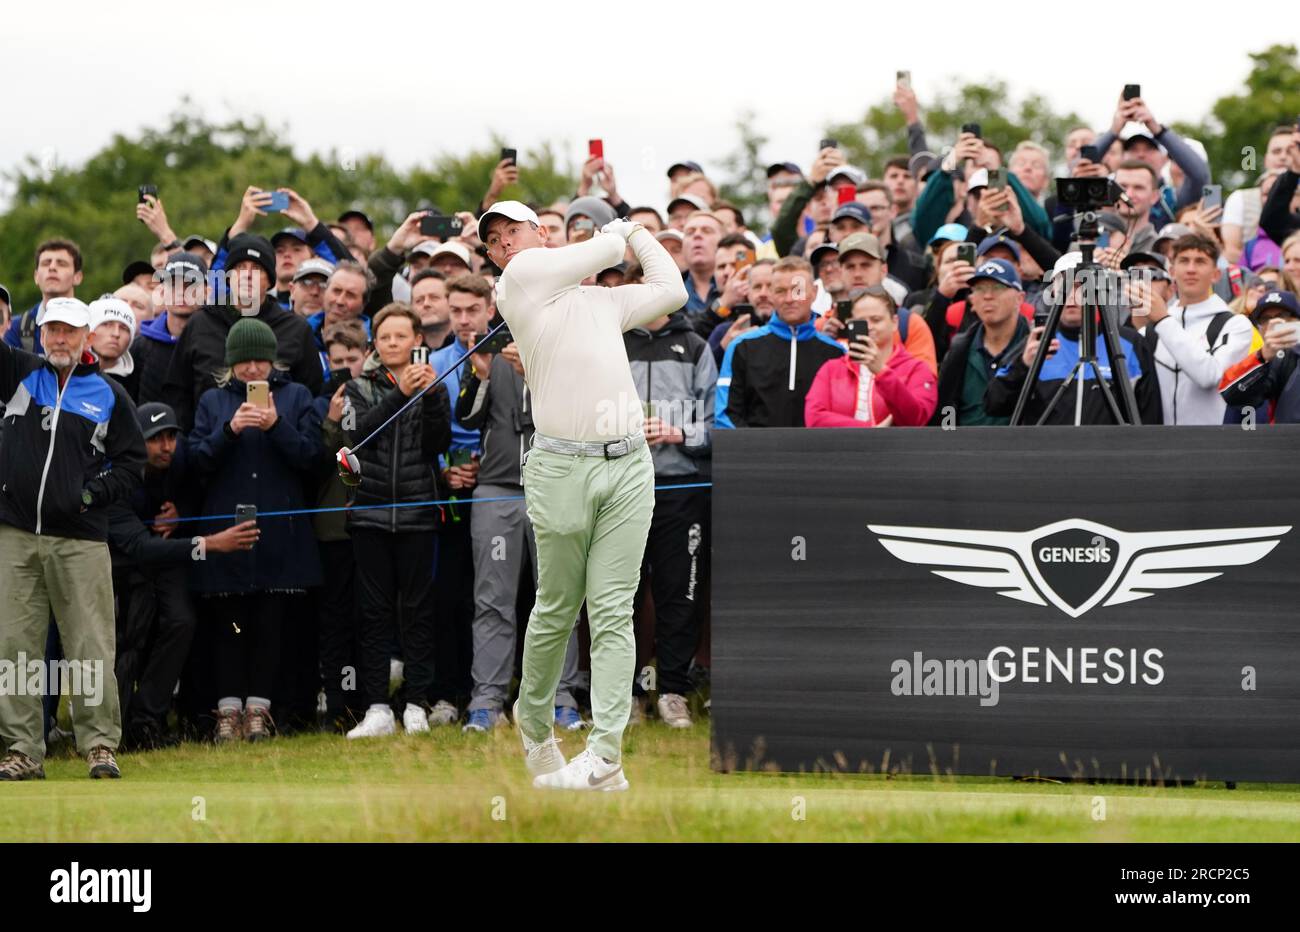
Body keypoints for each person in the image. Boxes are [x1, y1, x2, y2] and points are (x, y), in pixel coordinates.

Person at [479, 199, 686, 791]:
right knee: (557, 606)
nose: (503, 245)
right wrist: (617, 232)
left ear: (539, 232)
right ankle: (535, 723)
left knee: (613, 609)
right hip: (560, 469)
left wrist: (640, 233)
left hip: (628, 468)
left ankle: (605, 756)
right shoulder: (517, 283)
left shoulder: (601, 302)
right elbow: (600, 252)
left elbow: (670, 290)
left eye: (511, 232)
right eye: (493, 240)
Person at [0, 297, 145, 781]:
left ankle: (100, 746)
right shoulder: (20, 373)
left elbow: (132, 465)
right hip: (15, 533)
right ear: (39, 334)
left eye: (69, 331)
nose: (59, 339)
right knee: (14, 648)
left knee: (90, 646)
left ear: (86, 336)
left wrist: (89, 495)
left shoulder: (108, 394)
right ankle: (22, 750)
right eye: (51, 330)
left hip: (80, 539)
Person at [188, 319, 324, 742]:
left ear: (273, 360)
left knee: (270, 625)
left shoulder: (297, 396)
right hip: (226, 530)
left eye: (259, 360)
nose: (252, 370)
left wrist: (275, 426)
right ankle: (227, 712)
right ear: (231, 363)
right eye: (243, 361)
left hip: (280, 534)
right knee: (230, 625)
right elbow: (195, 463)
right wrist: (229, 430)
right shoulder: (213, 400)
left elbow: (313, 460)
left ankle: (259, 712)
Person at [107, 403, 259, 749]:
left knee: (181, 622)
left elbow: (199, 495)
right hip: (123, 568)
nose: (166, 447)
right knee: (130, 641)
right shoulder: (117, 478)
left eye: (171, 437)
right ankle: (118, 723)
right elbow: (139, 548)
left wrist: (183, 516)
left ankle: (147, 719)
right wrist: (209, 544)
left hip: (169, 561)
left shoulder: (179, 462)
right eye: (155, 439)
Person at [456, 334, 586, 733]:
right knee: (493, 600)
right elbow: (465, 418)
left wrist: (536, 374)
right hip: (497, 490)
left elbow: (583, 416)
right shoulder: (489, 351)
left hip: (557, 487)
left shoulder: (569, 346)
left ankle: (561, 698)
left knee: (560, 599)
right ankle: (487, 700)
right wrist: (480, 376)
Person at [341, 303, 452, 739]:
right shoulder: (358, 387)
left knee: (418, 612)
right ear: (375, 343)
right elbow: (358, 440)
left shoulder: (433, 385)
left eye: (401, 336)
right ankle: (376, 707)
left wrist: (429, 397)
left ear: (417, 341)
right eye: (384, 337)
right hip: (368, 515)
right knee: (373, 614)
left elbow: (436, 445)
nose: (392, 343)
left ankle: (416, 703)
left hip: (418, 513)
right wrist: (400, 394)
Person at [623, 308, 717, 726]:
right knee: (619, 594)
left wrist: (680, 433)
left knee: (681, 591)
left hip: (680, 487)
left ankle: (674, 691)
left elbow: (718, 422)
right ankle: (626, 695)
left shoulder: (695, 347)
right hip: (622, 486)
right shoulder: (614, 342)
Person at [163, 233, 322, 430]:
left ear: (270, 279)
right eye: (240, 267)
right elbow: (177, 392)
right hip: (208, 449)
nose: (247, 275)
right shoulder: (201, 323)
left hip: (279, 447)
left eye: (256, 268)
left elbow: (312, 395)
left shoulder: (296, 329)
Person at [985, 253, 1163, 425]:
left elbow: (1150, 419)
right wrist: (1023, 366)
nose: (1071, 295)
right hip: (1050, 454)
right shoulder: (1036, 343)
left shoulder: (1130, 344)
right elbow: (994, 404)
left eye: (1080, 285)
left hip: (1109, 454)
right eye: (1064, 286)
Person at [715, 256, 845, 428]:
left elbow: (842, 417)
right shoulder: (742, 347)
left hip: (816, 453)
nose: (789, 299)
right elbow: (726, 416)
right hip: (754, 452)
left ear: (814, 292)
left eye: (797, 290)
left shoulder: (835, 353)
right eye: (780, 291)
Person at [1147, 235, 1253, 425]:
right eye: (1184, 261)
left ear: (1215, 274)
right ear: (1171, 271)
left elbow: (1209, 377)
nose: (1191, 269)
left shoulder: (1236, 325)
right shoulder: (1152, 329)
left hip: (1209, 446)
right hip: (1158, 447)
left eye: (1200, 261)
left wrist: (1163, 320)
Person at [805, 286, 937, 428]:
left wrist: (882, 372)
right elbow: (814, 418)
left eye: (876, 319)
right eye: (860, 321)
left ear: (894, 323)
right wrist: (871, 429)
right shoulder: (831, 369)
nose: (869, 326)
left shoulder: (917, 369)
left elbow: (916, 419)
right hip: (842, 449)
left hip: (896, 449)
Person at [932, 258, 1031, 426]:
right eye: (979, 289)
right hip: (967, 447)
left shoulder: (1035, 346)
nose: (987, 296)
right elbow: (944, 410)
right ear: (971, 302)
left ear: (1019, 299)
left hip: (1020, 447)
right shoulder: (960, 348)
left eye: (998, 287)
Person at [132, 252, 208, 406]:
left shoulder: (216, 344)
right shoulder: (140, 348)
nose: (182, 292)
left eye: (190, 285)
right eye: (174, 285)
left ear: (206, 292)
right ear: (162, 291)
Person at [1221, 289, 1300, 423]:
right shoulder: (1260, 361)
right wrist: (1262, 357)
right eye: (1265, 319)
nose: (1274, 323)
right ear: (1258, 327)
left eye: (1283, 316)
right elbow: (1232, 397)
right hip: (1279, 440)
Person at [3, 239, 84, 355]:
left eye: (61, 263)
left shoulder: (93, 323)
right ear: (36, 276)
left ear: (78, 277)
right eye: (46, 263)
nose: (52, 267)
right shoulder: (15, 328)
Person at [88, 297, 139, 400]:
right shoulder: (68, 372)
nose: (116, 333)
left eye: (124, 328)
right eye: (106, 324)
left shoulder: (138, 380)